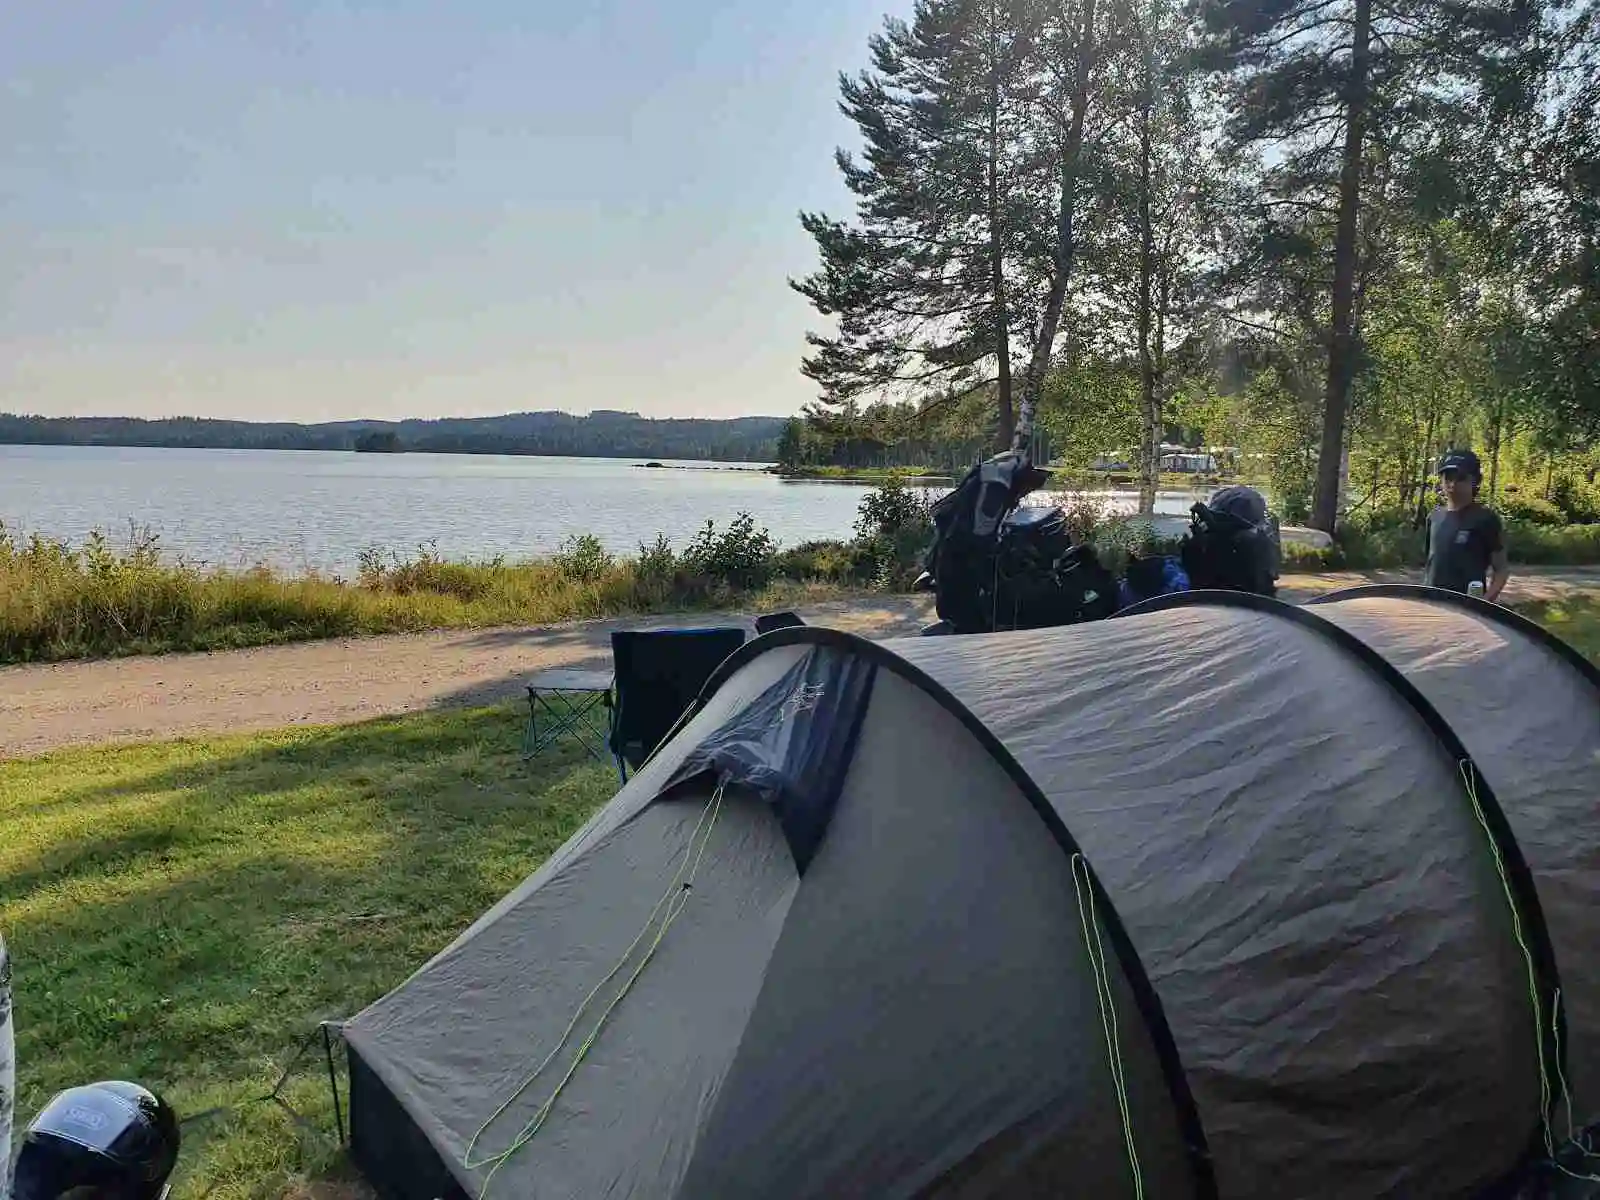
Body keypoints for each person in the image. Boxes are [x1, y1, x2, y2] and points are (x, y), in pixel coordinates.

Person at [1426, 449, 1509, 601]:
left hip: (1468, 609)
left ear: (1475, 480)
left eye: (1460, 478)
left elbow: (1501, 570)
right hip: (1433, 607)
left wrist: (1485, 602)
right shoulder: (1434, 516)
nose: (1452, 484)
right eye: (1447, 478)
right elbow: (1431, 564)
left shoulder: (1486, 519)